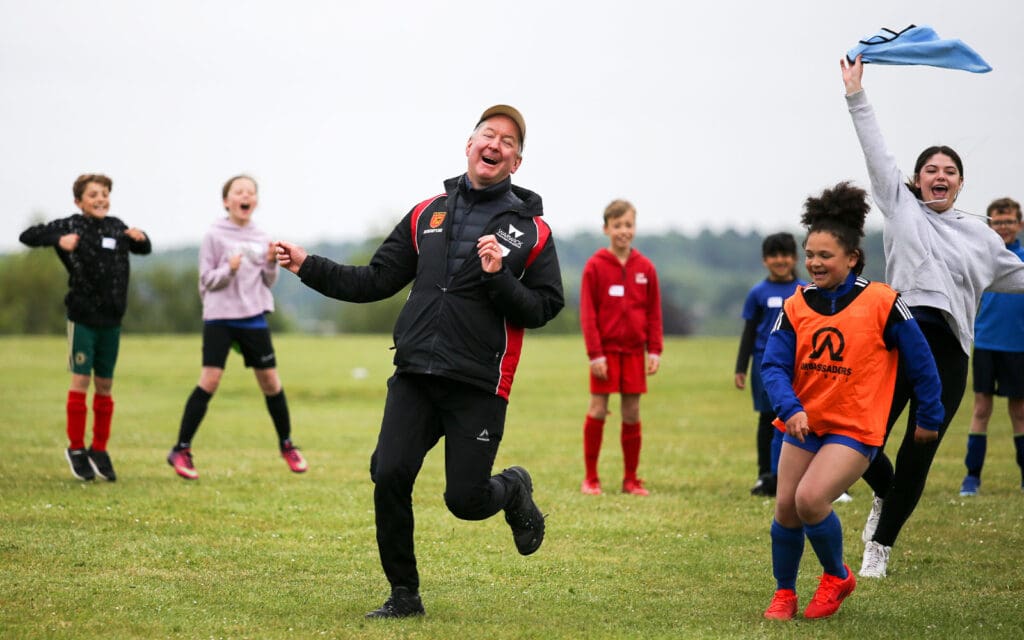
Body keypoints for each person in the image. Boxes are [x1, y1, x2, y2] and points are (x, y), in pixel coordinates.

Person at [275, 104, 564, 619]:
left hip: (478, 384)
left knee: (465, 500)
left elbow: (544, 308)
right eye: (487, 135)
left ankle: (513, 488)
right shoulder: (425, 214)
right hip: (414, 374)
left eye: (507, 142)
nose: (494, 145)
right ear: (469, 145)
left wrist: (499, 276)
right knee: (388, 475)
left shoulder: (533, 233)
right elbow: (374, 280)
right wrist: (307, 266)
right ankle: (404, 596)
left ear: (516, 162)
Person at [841, 55, 1024, 578]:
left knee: (919, 449)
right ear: (917, 182)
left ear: (961, 184)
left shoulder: (984, 238)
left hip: (949, 353)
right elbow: (877, 152)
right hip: (897, 336)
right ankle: (884, 492)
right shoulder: (901, 209)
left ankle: (880, 546)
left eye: (949, 172)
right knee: (864, 438)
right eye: (931, 171)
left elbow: (1019, 276)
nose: (939, 177)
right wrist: (856, 95)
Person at [760, 181, 943, 621]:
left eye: (825, 256)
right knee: (785, 508)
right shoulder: (797, 304)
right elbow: (772, 367)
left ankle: (836, 575)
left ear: (852, 258)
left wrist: (930, 415)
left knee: (810, 501)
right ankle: (784, 593)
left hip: (854, 430)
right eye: (810, 254)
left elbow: (922, 364)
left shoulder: (883, 302)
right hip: (804, 423)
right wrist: (792, 408)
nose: (814, 263)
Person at [166, 175, 307, 480]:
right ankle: (181, 449)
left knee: (270, 382)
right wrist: (227, 270)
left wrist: (271, 262)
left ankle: (287, 445)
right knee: (210, 380)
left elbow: (268, 281)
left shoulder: (262, 235)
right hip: (220, 317)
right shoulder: (214, 236)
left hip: (253, 315)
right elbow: (206, 280)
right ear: (226, 201)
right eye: (238, 191)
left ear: (255, 200)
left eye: (251, 192)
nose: (246, 196)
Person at [19, 173, 152, 481]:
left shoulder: (116, 226)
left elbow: (144, 250)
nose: (100, 198)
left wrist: (140, 237)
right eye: (93, 194)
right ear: (79, 201)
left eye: (104, 193)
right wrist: (57, 240)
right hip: (83, 319)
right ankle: (76, 448)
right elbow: (28, 235)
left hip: (112, 320)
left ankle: (99, 448)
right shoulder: (71, 226)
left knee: (105, 386)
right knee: (81, 380)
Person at [578, 199, 663, 496]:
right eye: (617, 225)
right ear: (606, 229)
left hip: (634, 353)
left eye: (628, 225)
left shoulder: (645, 268)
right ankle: (591, 478)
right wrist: (595, 354)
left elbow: (653, 312)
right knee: (598, 408)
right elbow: (588, 314)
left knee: (632, 411)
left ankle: (630, 479)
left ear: (634, 228)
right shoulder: (595, 267)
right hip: (605, 353)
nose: (623, 231)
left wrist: (654, 349)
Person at [958, 198, 1024, 496]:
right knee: (981, 408)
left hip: (1018, 346)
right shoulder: (981, 258)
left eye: (1009, 221)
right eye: (997, 222)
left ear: (1019, 225)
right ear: (989, 226)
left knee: (1019, 413)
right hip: (985, 343)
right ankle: (972, 478)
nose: (1003, 227)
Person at [734, 232, 804, 497]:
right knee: (767, 420)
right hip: (764, 366)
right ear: (765, 260)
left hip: (797, 366)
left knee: (798, 418)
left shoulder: (804, 290)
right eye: (774, 255)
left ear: (795, 258)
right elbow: (749, 332)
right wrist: (741, 368)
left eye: (785, 254)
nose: (780, 260)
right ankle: (765, 475)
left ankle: (799, 475)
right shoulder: (758, 293)